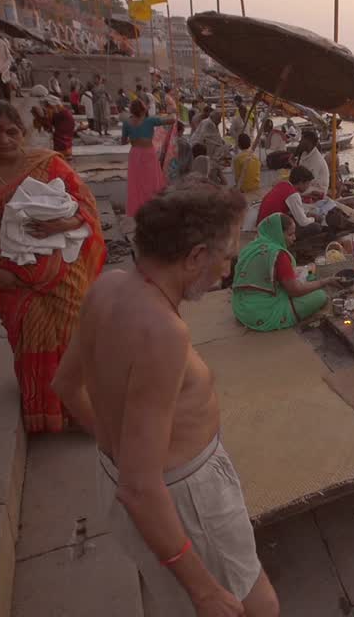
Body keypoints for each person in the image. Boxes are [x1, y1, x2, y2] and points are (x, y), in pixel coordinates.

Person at [50, 182, 280, 617]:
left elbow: (65, 386)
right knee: (259, 608)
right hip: (184, 501)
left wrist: (116, 446)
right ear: (195, 256)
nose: (228, 271)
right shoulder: (164, 333)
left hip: (140, 482)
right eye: (227, 256)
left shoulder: (108, 285)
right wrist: (204, 590)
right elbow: (139, 489)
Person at [0, 99, 106, 433]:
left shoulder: (48, 164)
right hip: (8, 277)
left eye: (12, 131)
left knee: (75, 337)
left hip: (62, 272)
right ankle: (46, 415)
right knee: (31, 340)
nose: (4, 140)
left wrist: (64, 225)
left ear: (23, 132)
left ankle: (83, 415)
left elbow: (85, 205)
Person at [231, 213, 341, 332]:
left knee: (308, 277)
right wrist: (325, 281)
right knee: (320, 296)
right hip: (262, 312)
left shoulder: (252, 247)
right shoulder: (278, 254)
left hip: (241, 307)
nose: (294, 238)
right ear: (278, 233)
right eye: (290, 234)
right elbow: (295, 291)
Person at [122, 99, 176, 218]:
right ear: (143, 110)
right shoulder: (150, 120)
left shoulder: (127, 123)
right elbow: (172, 119)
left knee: (136, 182)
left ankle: (137, 209)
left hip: (135, 153)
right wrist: (172, 110)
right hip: (148, 153)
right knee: (151, 180)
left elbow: (123, 141)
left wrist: (133, 136)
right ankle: (152, 207)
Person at [256, 166, 322, 238]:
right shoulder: (293, 195)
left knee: (294, 219)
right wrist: (314, 219)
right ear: (300, 182)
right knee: (316, 227)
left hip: (262, 227)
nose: (308, 187)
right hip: (270, 232)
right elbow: (303, 222)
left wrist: (307, 214)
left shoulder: (282, 185)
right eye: (307, 183)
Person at [295, 130, 330, 197]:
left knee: (293, 194)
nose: (300, 142)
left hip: (318, 189)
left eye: (302, 140)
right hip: (305, 184)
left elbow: (310, 181)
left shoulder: (317, 160)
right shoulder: (304, 154)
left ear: (308, 142)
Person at [0, 32, 14, 101]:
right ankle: (7, 102)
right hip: (6, 66)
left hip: (0, 67)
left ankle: (1, 102)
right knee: (6, 84)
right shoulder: (5, 42)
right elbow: (10, 53)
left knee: (0, 87)